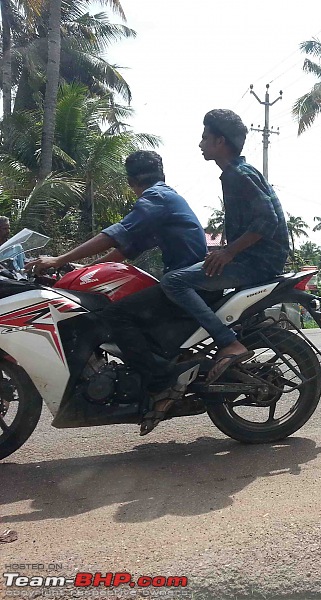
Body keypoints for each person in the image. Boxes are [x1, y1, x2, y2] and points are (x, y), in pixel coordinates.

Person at [27, 151, 208, 433]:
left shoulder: (155, 199)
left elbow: (117, 233)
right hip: (186, 281)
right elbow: (126, 248)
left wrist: (58, 260)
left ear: (132, 180)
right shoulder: (163, 200)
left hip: (186, 284)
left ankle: (162, 379)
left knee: (115, 315)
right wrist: (83, 268)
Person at [161, 109, 289, 383]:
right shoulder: (237, 172)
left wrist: (228, 252)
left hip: (258, 262)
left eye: (205, 137)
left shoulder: (238, 175)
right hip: (255, 258)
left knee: (173, 282)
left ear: (220, 141)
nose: (200, 143)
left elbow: (268, 220)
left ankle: (227, 342)